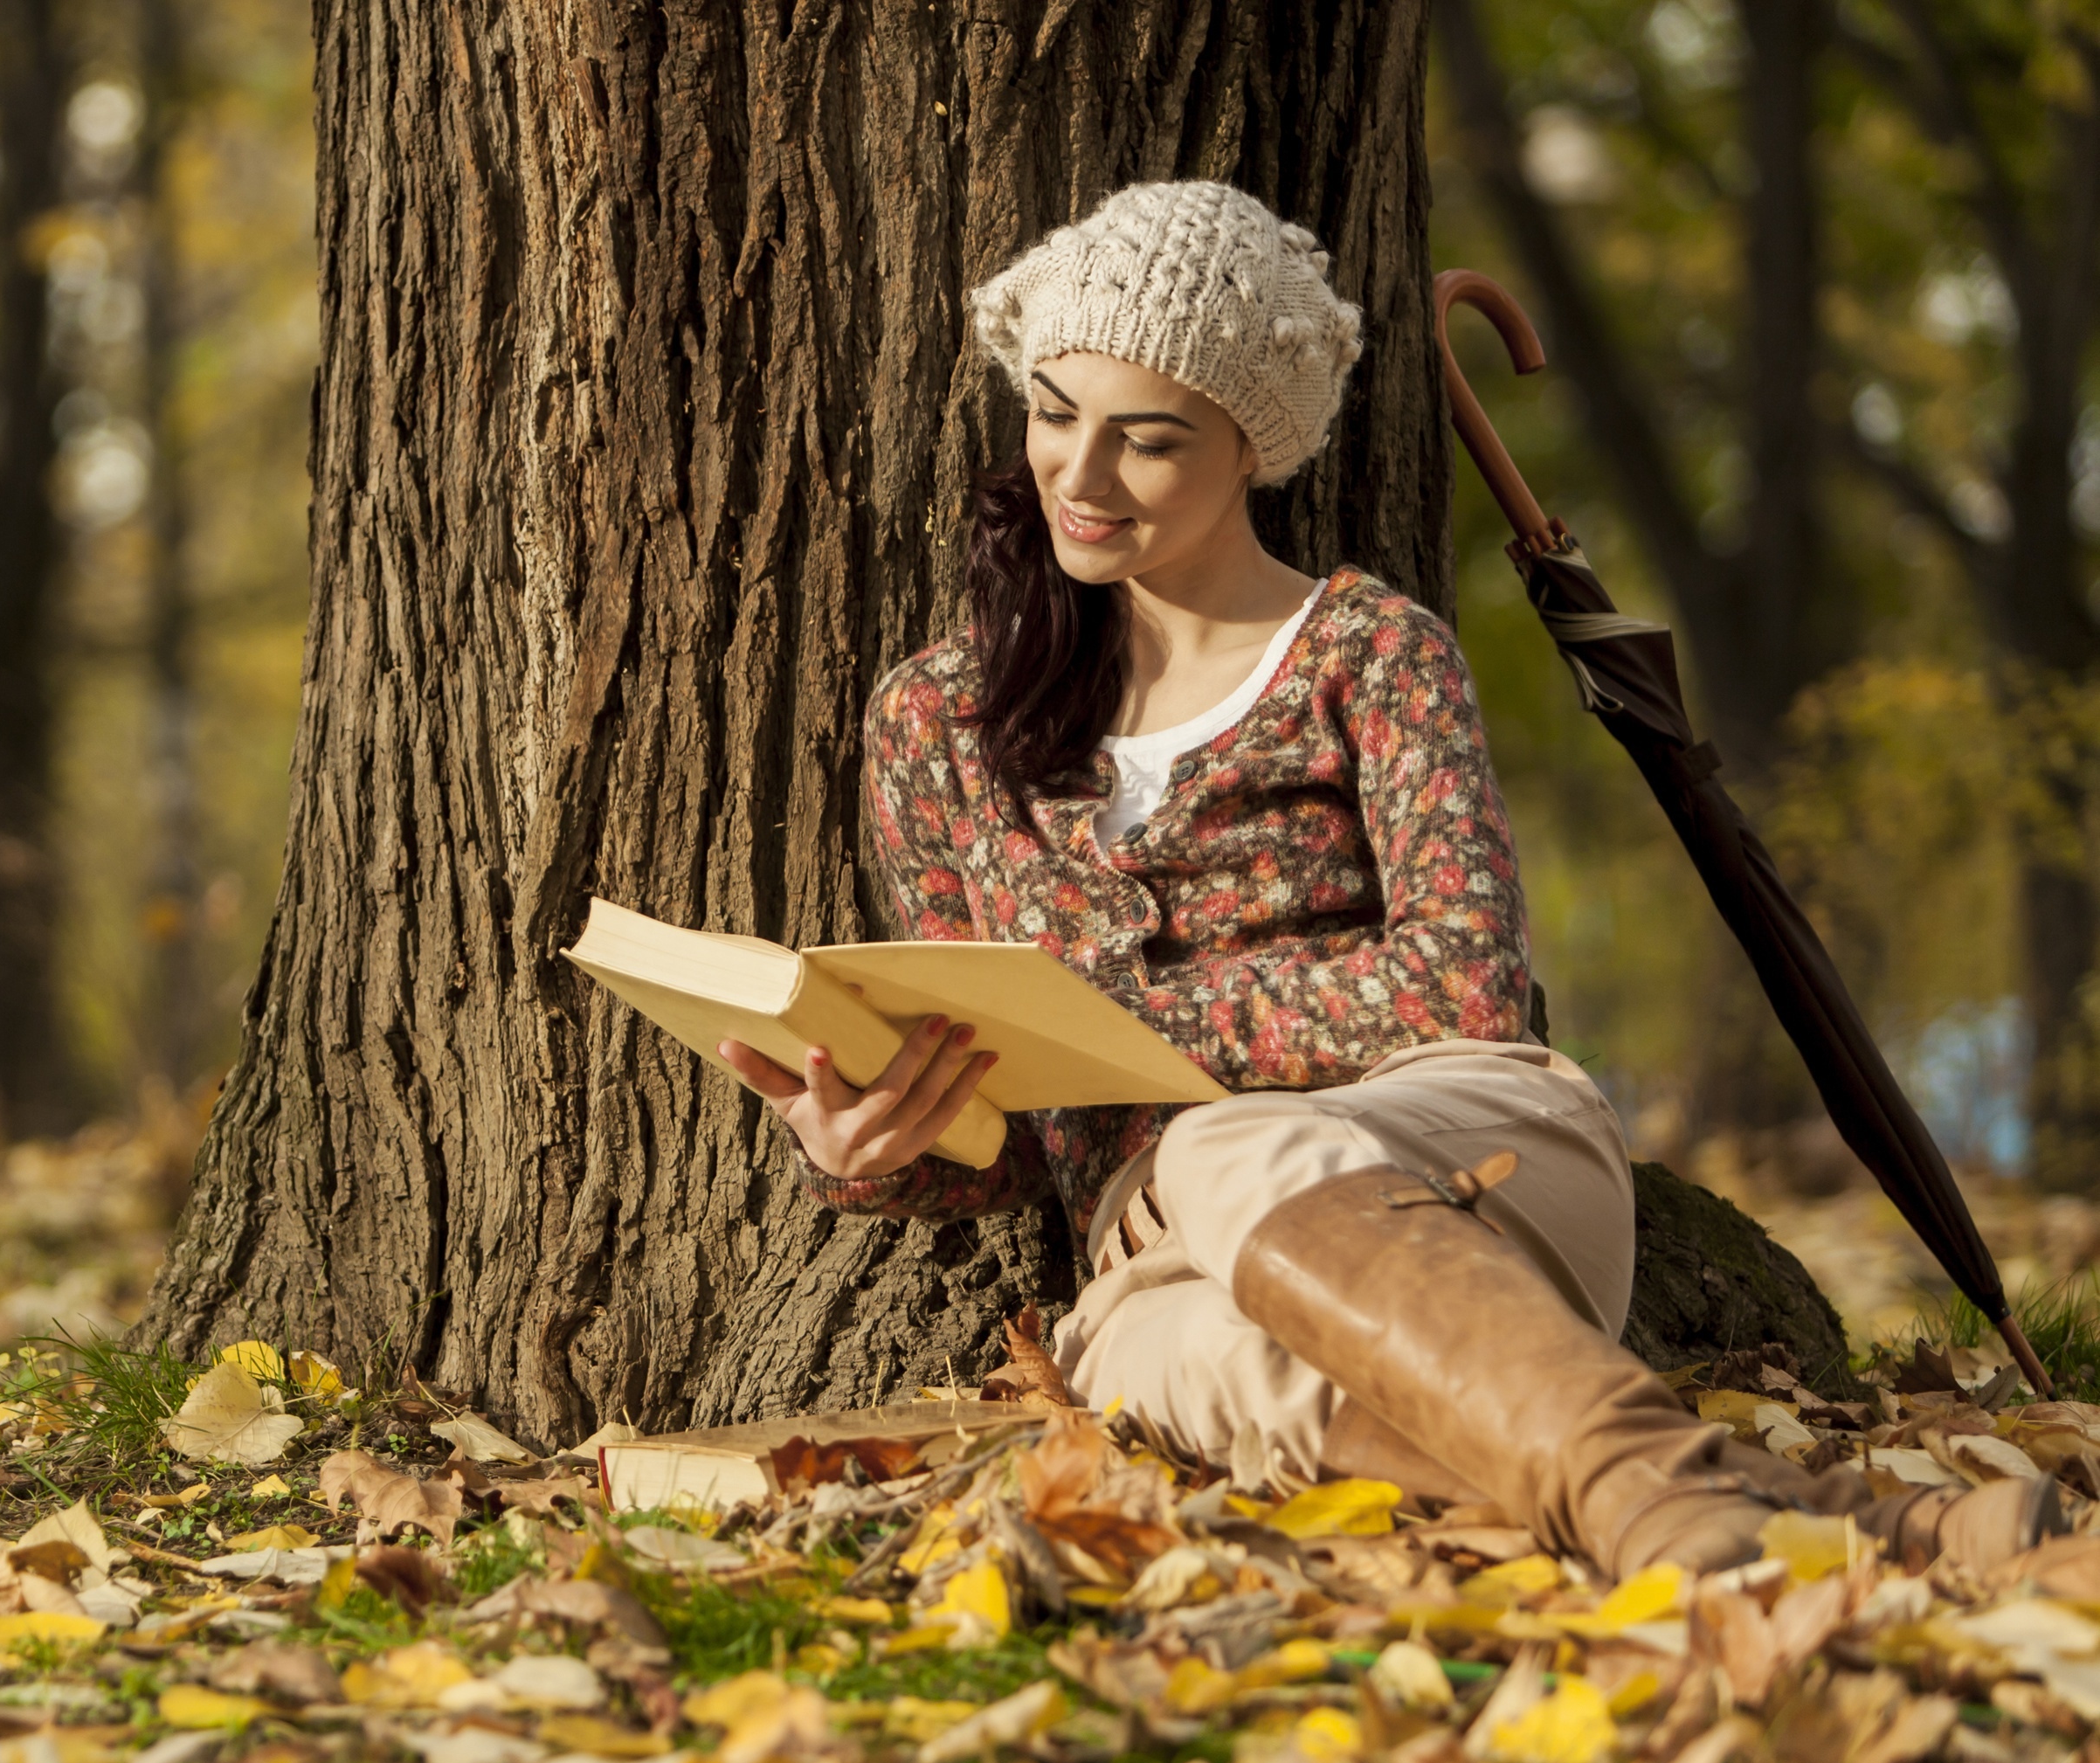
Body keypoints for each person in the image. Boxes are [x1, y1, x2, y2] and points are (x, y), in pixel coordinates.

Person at [718, 178, 2050, 1582]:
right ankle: (1787, 1521)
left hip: (1469, 1154)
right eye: (1054, 413)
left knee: (1226, 1142)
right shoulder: (939, 720)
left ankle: (1710, 1532)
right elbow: (1003, 1127)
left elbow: (1457, 978)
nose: (1080, 475)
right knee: (1155, 1368)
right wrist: (873, 1147)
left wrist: (1126, 1043)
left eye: (1147, 439)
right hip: (1161, 1259)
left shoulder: (1369, 651)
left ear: (1252, 449)